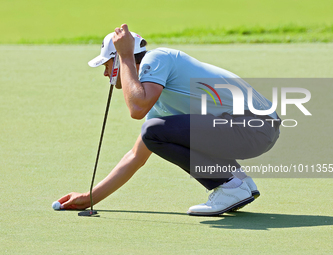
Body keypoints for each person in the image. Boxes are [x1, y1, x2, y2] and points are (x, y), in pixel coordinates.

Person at [58, 24, 280, 216]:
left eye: (106, 65)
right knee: (154, 131)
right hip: (253, 130)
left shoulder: (158, 58)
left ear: (117, 60)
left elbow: (136, 109)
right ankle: (240, 181)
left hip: (254, 126)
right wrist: (90, 198)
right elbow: (136, 156)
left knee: (152, 130)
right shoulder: (160, 100)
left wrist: (124, 56)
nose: (106, 74)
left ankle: (228, 186)